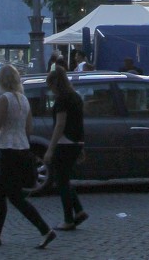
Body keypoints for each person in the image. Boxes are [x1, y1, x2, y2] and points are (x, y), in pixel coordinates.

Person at [0, 65, 55, 248]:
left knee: (10, 196)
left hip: (8, 150)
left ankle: (43, 229)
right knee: (4, 194)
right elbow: (29, 129)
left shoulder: (4, 99)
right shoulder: (23, 99)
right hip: (21, 149)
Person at [42, 66, 87, 231]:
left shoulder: (62, 100)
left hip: (65, 142)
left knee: (61, 180)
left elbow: (60, 124)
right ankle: (79, 211)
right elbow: (79, 123)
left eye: (50, 85)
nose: (50, 89)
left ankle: (69, 219)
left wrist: (50, 149)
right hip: (76, 141)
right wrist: (81, 146)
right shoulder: (76, 97)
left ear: (55, 83)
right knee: (64, 179)